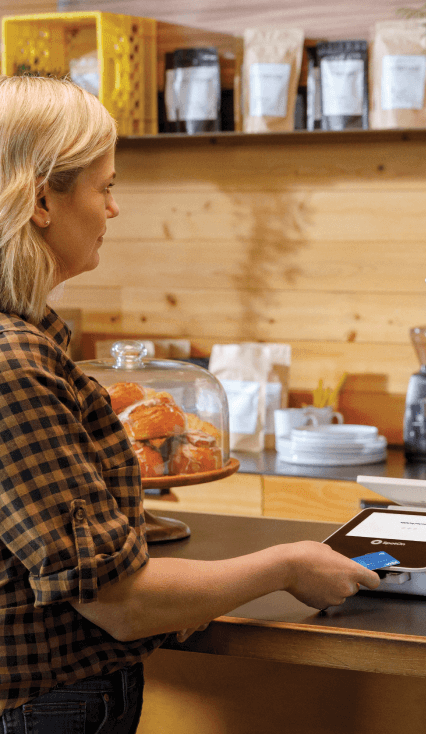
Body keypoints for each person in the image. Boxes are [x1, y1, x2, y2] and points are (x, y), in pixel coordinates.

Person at [0, 74, 379, 730]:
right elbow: (120, 603)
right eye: (106, 186)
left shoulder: (30, 342)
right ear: (41, 200)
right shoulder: (14, 363)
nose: (113, 209)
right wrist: (286, 564)